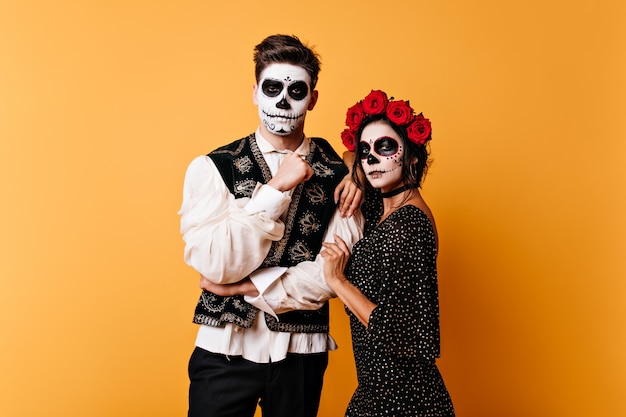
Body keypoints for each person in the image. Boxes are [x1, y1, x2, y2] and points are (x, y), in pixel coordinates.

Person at [178, 34, 363, 417]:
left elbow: (331, 274)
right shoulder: (212, 168)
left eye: (296, 90)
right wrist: (276, 188)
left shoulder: (342, 176)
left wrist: (250, 285)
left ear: (312, 99)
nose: (282, 101)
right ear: (255, 92)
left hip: (302, 353)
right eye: (272, 88)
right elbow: (217, 265)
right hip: (223, 349)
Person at [320, 90, 455, 416]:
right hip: (380, 390)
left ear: (412, 155)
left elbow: (399, 332)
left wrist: (338, 281)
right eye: (367, 150)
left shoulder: (407, 226)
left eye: (385, 147)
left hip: (401, 398)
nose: (372, 159)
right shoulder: (386, 206)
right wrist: (355, 171)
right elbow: (348, 155)